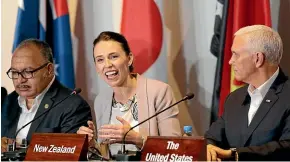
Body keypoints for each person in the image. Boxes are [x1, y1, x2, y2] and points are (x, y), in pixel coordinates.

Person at [77, 31, 181, 158]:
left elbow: (174, 148)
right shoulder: (101, 100)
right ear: (96, 67)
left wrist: (137, 139)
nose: (107, 65)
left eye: (113, 56)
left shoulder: (159, 91)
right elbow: (106, 156)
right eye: (100, 60)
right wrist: (91, 144)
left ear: (129, 59)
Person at [205, 25, 290, 161]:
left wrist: (236, 154)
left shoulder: (286, 96)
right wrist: (209, 147)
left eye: (235, 54)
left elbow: (287, 147)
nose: (230, 61)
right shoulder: (234, 98)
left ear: (258, 59)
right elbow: (212, 137)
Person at [1, 39, 92, 152]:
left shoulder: (73, 106)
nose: (20, 80)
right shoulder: (7, 102)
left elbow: (69, 153)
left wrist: (18, 150)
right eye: (15, 72)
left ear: (49, 70)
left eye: (28, 72)